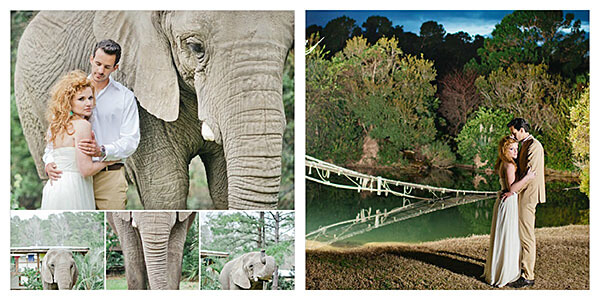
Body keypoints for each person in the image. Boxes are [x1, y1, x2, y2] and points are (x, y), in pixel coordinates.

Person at [43, 39, 140, 210]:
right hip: (73, 177)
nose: (100, 70)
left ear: (115, 68)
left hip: (109, 177)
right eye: (98, 63)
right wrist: (48, 162)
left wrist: (103, 151)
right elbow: (52, 141)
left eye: (107, 67)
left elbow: (131, 140)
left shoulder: (125, 97)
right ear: (91, 59)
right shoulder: (69, 93)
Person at [41, 70, 116, 209]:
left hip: (54, 188)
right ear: (69, 102)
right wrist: (109, 161)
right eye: (81, 99)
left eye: (90, 98)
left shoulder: (56, 125)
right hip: (73, 187)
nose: (88, 103)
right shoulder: (82, 125)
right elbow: (86, 170)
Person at [483, 135, 536, 287]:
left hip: (505, 201)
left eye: (516, 149)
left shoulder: (504, 163)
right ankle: (507, 273)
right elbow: (512, 188)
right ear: (504, 150)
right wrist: (528, 177)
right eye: (511, 149)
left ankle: (500, 270)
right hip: (508, 202)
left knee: (505, 237)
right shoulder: (509, 165)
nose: (515, 152)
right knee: (508, 237)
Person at [505, 118, 546, 288]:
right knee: (522, 234)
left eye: (514, 132)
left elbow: (531, 175)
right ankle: (521, 267)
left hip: (528, 195)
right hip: (523, 194)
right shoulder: (525, 144)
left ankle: (528, 275)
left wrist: (513, 189)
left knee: (527, 235)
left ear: (522, 130)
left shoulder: (534, 146)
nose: (512, 135)